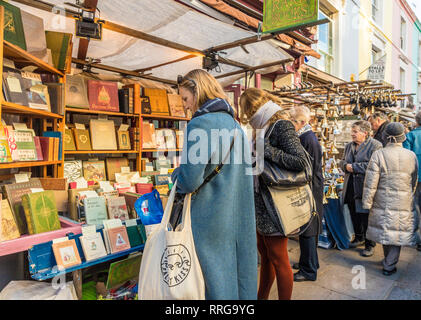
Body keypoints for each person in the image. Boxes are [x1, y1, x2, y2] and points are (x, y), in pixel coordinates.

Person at [172, 69, 257, 299]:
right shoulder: (235, 125)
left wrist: (175, 174)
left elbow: (189, 181)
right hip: (237, 216)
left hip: (210, 218)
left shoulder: (200, 124)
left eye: (186, 99)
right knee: (236, 278)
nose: (185, 106)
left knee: (213, 283)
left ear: (197, 92)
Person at [239, 87, 308, 300]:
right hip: (261, 202)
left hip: (276, 205)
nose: (246, 117)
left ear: (252, 109)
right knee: (266, 257)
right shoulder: (262, 128)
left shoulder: (281, 126)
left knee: (279, 259)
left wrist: (265, 149)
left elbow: (300, 162)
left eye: (246, 111)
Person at [363, 122, 419, 275]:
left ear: (387, 137)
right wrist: (410, 193)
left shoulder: (379, 154)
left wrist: (367, 202)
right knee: (397, 231)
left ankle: (388, 262)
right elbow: (414, 179)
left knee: (386, 229)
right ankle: (389, 263)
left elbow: (370, 182)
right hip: (404, 199)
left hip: (383, 198)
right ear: (402, 137)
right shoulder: (411, 155)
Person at [288, 106, 323, 282]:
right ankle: (309, 263)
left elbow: (310, 167)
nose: (290, 123)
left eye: (292, 121)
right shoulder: (306, 136)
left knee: (308, 229)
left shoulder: (307, 138)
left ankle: (309, 271)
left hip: (310, 188)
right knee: (306, 229)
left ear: (302, 122)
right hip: (310, 187)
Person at [339, 120, 382, 257]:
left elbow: (374, 166)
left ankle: (370, 244)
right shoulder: (348, 146)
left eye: (355, 131)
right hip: (350, 185)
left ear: (365, 133)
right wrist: (344, 166)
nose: (352, 134)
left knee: (366, 216)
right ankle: (359, 237)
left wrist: (354, 167)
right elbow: (342, 161)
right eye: (352, 131)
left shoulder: (376, 146)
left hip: (365, 187)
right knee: (353, 212)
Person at [403, 111, 421, 252]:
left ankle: (417, 239)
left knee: (414, 208)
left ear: (416, 121)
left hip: (415, 179)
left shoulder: (410, 136)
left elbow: (405, 160)